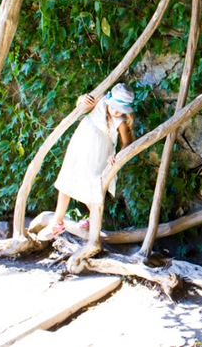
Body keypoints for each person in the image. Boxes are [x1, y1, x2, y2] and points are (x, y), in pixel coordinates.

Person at [38, 83, 135, 241]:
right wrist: (81, 99)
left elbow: (127, 143)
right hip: (80, 143)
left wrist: (117, 156)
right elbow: (81, 106)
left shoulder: (120, 120)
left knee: (92, 185)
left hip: (98, 152)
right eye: (115, 107)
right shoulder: (102, 100)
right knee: (67, 179)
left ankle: (95, 217)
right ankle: (57, 222)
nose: (116, 111)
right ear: (110, 100)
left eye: (121, 109)